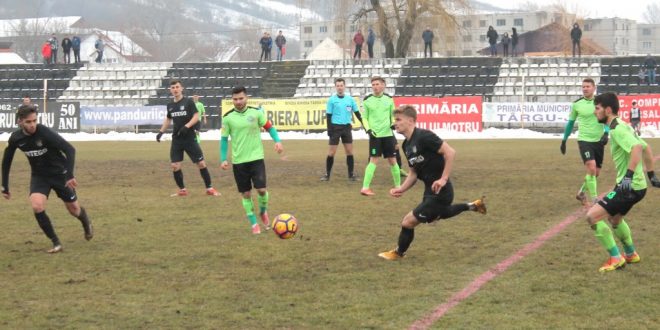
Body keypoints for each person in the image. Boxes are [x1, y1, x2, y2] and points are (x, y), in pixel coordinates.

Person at [378, 105, 487, 260]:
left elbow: (450, 152)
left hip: (441, 191)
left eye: (398, 119)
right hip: (429, 191)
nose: (395, 123)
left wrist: (443, 179)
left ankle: (398, 253)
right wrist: (401, 188)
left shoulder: (424, 136)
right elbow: (413, 173)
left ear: (410, 121)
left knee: (408, 222)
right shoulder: (406, 145)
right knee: (437, 215)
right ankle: (472, 205)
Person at [2, 105, 93, 253]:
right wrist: (5, 185)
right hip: (40, 176)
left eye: (34, 121)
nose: (32, 125)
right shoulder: (16, 138)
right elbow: (6, 161)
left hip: (60, 175)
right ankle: (56, 243)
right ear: (20, 122)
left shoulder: (44, 132)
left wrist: (69, 174)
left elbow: (70, 149)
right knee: (37, 206)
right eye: (28, 122)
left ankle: (85, 221)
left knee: (74, 210)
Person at [585, 92, 647, 272]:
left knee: (592, 216)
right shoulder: (619, 126)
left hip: (630, 185)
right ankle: (630, 254)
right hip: (635, 185)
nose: (595, 112)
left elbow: (637, 148)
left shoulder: (618, 129)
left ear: (608, 110)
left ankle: (615, 258)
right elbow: (642, 144)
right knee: (615, 218)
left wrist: (628, 176)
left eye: (597, 108)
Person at [220, 86, 284, 234]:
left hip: (256, 158)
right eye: (235, 99)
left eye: (241, 98)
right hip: (239, 161)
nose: (238, 101)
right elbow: (223, 140)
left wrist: (277, 141)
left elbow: (270, 127)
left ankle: (263, 212)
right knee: (246, 194)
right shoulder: (228, 117)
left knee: (261, 190)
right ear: (232, 100)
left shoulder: (256, 113)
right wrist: (223, 158)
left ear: (246, 98)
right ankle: (254, 223)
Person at [156, 80, 220, 197]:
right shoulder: (170, 106)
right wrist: (161, 132)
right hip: (177, 139)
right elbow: (168, 119)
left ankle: (210, 188)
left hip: (189, 138)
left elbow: (196, 116)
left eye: (177, 87)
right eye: (173, 87)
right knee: (175, 165)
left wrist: (187, 126)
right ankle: (182, 190)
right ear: (170, 90)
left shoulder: (188, 102)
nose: (175, 89)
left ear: (181, 88)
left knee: (201, 163)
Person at [560, 78, 609, 206]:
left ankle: (581, 192)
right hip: (584, 141)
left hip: (598, 142)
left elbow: (607, 118)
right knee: (591, 168)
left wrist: (606, 132)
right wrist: (564, 140)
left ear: (594, 88)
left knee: (596, 173)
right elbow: (570, 123)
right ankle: (595, 200)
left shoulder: (600, 102)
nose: (585, 89)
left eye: (587, 86)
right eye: (583, 87)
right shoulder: (577, 104)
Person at [360, 76, 401, 196]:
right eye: (373, 84)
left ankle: (398, 187)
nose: (375, 87)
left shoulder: (389, 99)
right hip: (375, 136)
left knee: (393, 161)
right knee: (373, 160)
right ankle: (365, 188)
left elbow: (393, 115)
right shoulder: (367, 100)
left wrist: (394, 123)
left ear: (383, 85)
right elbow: (364, 118)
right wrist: (368, 130)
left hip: (388, 135)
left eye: (377, 84)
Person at [321, 78, 364, 182]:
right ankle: (327, 175)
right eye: (338, 85)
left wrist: (365, 124)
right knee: (331, 152)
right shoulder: (332, 100)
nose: (340, 87)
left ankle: (351, 175)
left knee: (349, 151)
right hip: (335, 128)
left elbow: (357, 114)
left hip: (346, 128)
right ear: (335, 87)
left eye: (341, 85)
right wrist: (329, 129)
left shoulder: (350, 99)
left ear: (344, 86)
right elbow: (329, 115)